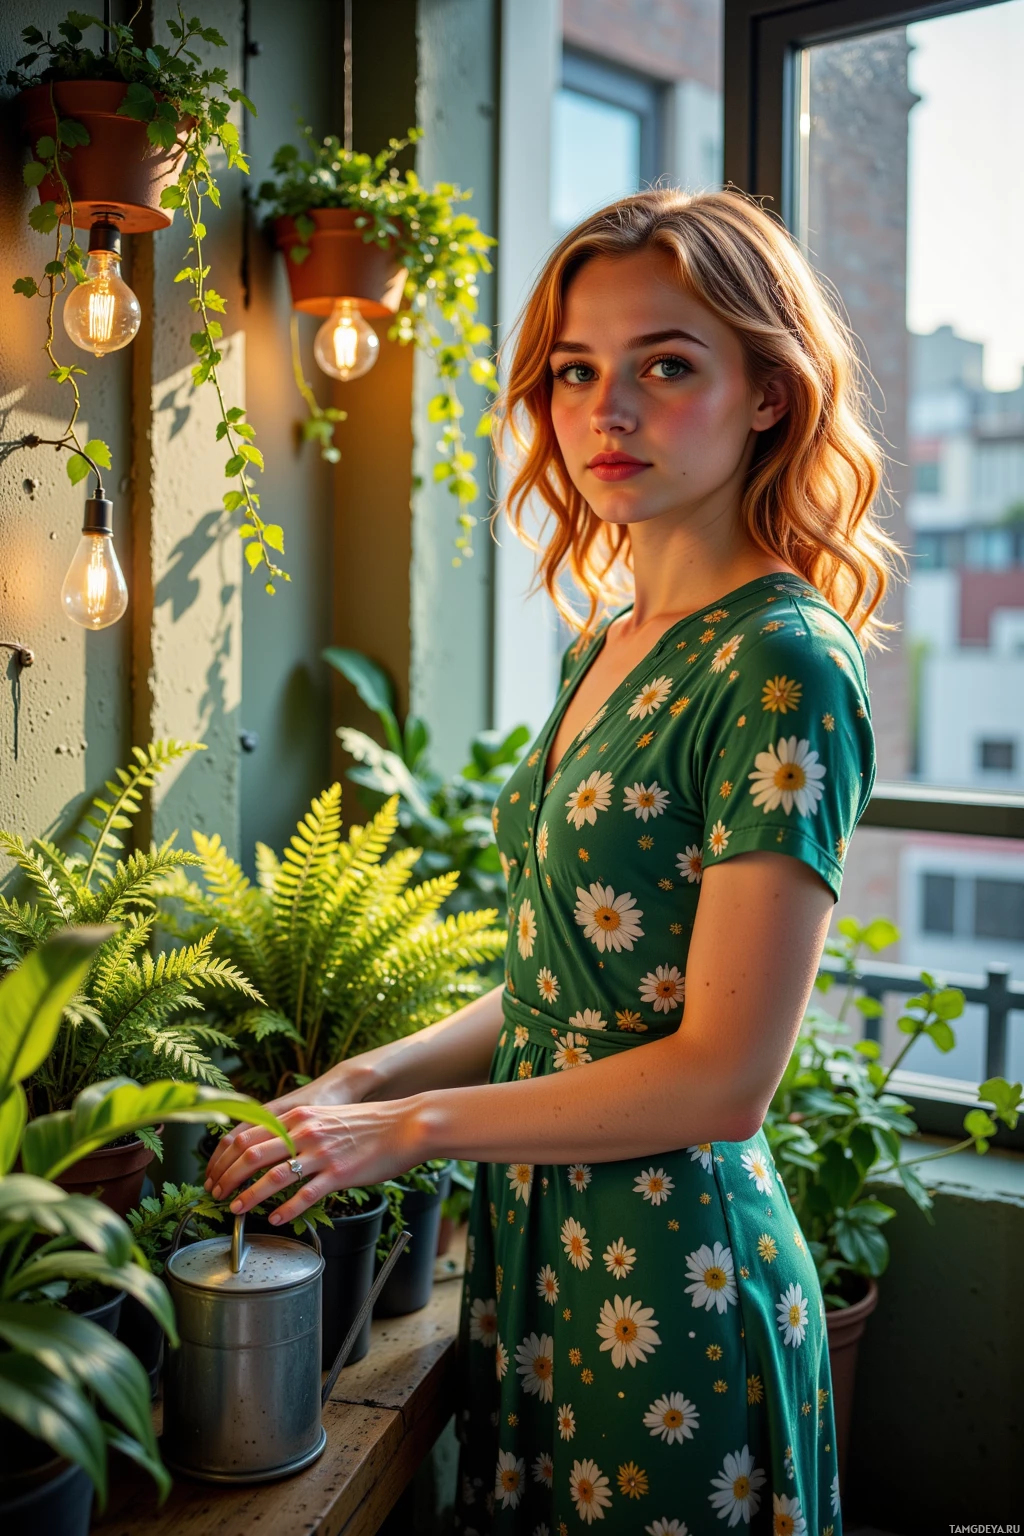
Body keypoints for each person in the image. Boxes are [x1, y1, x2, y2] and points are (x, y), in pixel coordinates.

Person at [204, 186, 905, 1533]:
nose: (608, 411)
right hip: (544, 1254)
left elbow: (723, 1079)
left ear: (770, 392)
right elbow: (567, 989)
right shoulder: (611, 639)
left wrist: (399, 1132)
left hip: (674, 1289)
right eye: (577, 371)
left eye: (668, 366)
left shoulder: (783, 662)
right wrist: (369, 1073)